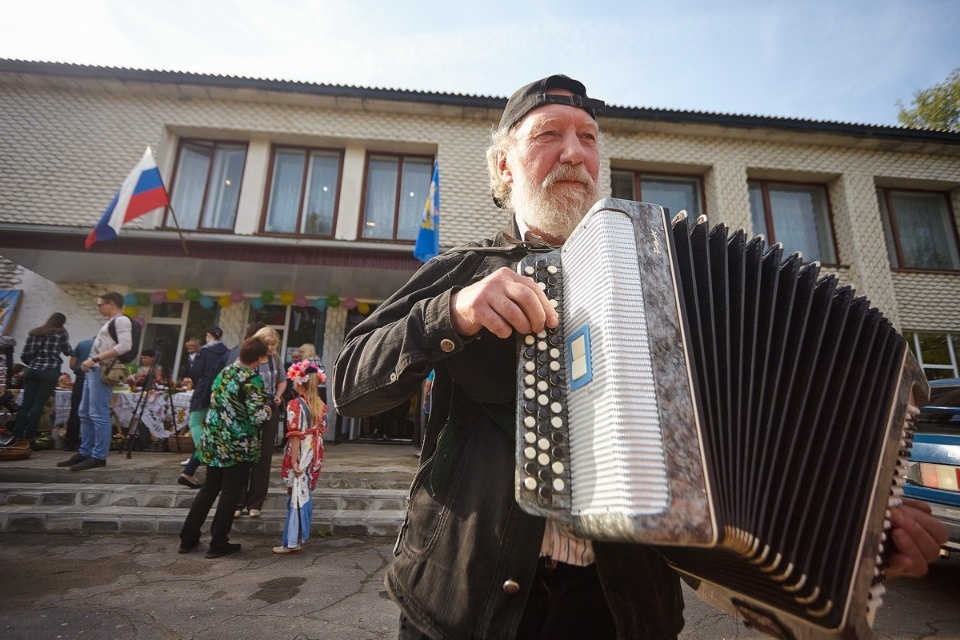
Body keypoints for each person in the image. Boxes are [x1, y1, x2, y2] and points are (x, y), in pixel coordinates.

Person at [334, 75, 949, 640]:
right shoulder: (458, 273)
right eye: (548, 136)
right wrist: (451, 314)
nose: (574, 152)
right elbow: (350, 384)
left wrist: (857, 523)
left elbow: (753, 432)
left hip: (621, 612)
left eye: (588, 139)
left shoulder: (667, 285)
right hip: (462, 603)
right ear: (503, 165)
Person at [178, 336, 271, 559]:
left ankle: (188, 539)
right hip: (237, 444)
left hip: (214, 439)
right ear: (259, 357)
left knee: (209, 488)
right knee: (230, 492)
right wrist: (267, 410)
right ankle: (218, 543)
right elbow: (256, 416)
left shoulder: (225, 372)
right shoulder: (252, 379)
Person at [57, 292, 133, 472]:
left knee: (98, 413)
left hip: (101, 369)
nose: (98, 308)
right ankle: (85, 452)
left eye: (100, 305)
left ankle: (98, 455)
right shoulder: (111, 321)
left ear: (111, 303)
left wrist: (95, 359)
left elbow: (125, 345)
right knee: (84, 412)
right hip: (94, 370)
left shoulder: (121, 320)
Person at [273, 360, 327, 554]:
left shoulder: (295, 405)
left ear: (297, 383)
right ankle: (295, 536)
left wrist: (294, 460)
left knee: (295, 494)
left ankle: (291, 540)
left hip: (301, 452)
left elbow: (295, 436)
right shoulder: (319, 404)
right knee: (303, 492)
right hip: (314, 453)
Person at [235, 326, 287, 518]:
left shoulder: (275, 359)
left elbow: (283, 380)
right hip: (249, 410)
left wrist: (279, 396)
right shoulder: (248, 358)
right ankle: (238, 502)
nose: (271, 347)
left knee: (264, 456)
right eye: (268, 344)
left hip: (270, 409)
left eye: (274, 344)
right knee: (245, 453)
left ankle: (255, 503)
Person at [179, 327, 229, 489]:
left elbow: (194, 373)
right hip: (219, 391)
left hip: (203, 390)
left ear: (208, 336)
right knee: (212, 428)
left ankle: (202, 453)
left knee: (194, 422)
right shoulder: (227, 352)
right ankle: (193, 466)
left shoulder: (204, 352)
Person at [16, 312, 72, 449]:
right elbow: (67, 351)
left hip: (32, 370)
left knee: (25, 404)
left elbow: (25, 355)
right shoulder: (61, 333)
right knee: (38, 404)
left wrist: (34, 364)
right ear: (62, 322)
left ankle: (17, 437)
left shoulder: (35, 332)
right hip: (50, 371)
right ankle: (29, 439)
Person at [63, 337, 94, 451]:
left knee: (76, 409)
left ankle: (71, 441)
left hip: (81, 376)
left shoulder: (82, 343)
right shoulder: (107, 346)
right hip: (98, 378)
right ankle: (90, 442)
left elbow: (72, 364)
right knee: (96, 411)